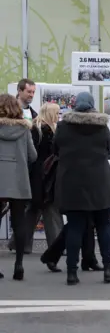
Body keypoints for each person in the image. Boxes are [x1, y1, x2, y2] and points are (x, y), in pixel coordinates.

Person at [53, 92, 110, 285]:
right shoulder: (101, 126)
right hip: (99, 182)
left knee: (75, 227)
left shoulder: (63, 126)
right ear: (92, 105)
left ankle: (71, 273)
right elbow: (108, 149)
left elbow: (55, 150)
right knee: (104, 226)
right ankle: (108, 269)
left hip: (72, 182)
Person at [8, 103, 64, 258]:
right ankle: (56, 247)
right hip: (47, 175)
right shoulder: (46, 131)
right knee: (50, 209)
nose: (59, 116)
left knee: (33, 209)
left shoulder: (35, 129)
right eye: (57, 113)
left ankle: (20, 243)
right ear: (51, 114)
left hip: (36, 176)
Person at [0, 94, 38, 280]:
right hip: (18, 178)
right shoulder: (24, 130)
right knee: (19, 221)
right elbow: (33, 156)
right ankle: (19, 265)